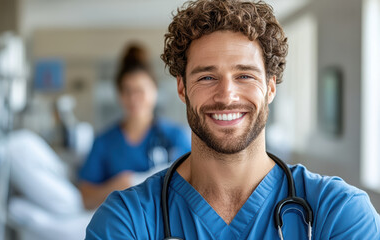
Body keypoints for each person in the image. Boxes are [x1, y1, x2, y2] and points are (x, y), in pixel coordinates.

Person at [85, 1, 380, 239]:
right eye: (207, 77)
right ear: (181, 88)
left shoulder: (338, 213)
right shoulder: (126, 221)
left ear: (271, 87)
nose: (226, 95)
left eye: (245, 76)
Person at [78, 44, 191, 210]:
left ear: (154, 91)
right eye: (127, 91)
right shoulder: (104, 142)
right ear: (119, 95)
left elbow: (196, 185)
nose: (133, 98)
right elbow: (85, 197)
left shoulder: (175, 137)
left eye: (140, 91)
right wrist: (118, 186)